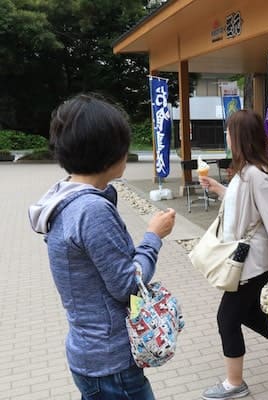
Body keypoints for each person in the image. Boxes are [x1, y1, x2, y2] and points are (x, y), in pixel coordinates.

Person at [28, 93, 176, 400]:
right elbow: (127, 285)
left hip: (89, 354)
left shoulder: (64, 199)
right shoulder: (91, 211)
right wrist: (153, 237)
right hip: (111, 363)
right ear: (109, 153)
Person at [198, 109, 268, 400]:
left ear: (240, 137)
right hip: (244, 261)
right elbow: (241, 208)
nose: (226, 137)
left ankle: (235, 384)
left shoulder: (256, 175)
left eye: (229, 132)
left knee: (226, 319)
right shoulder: (244, 171)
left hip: (252, 264)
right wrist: (219, 188)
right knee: (249, 315)